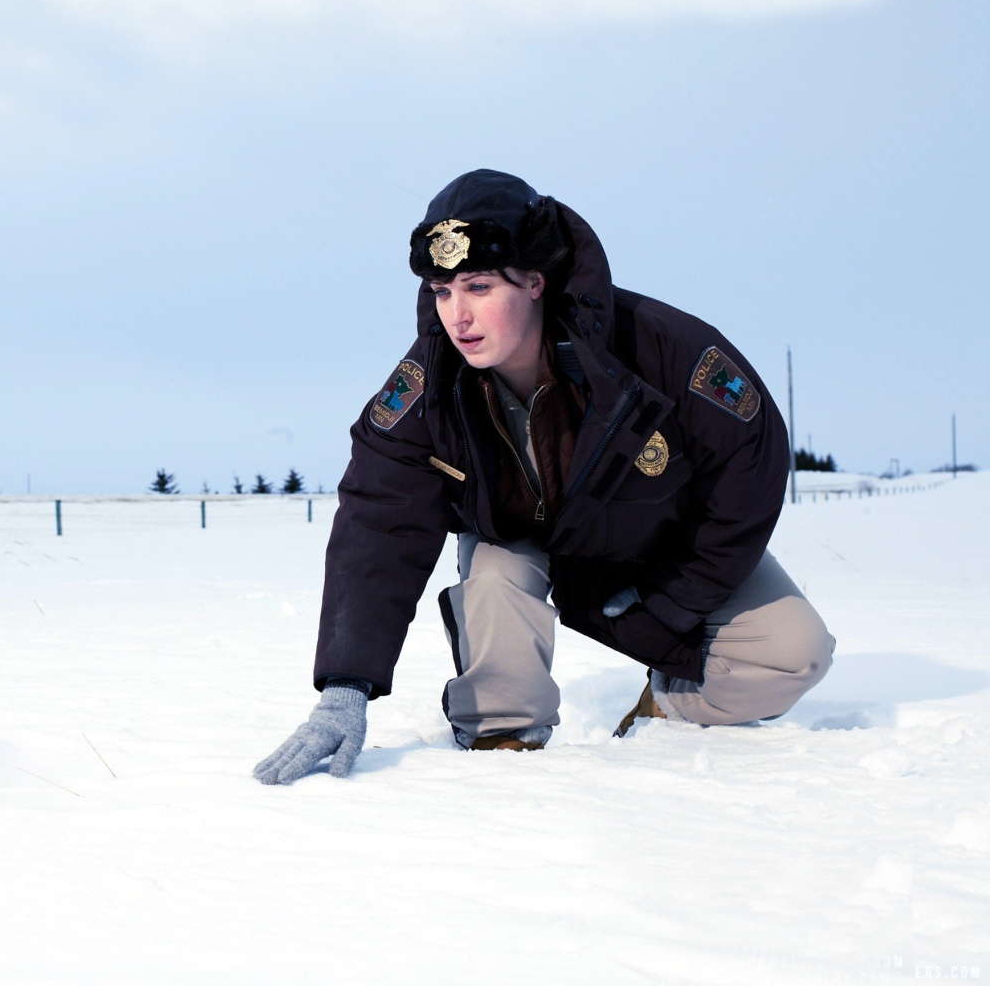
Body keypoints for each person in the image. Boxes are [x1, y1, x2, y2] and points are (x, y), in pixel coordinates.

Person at [254, 169, 834, 784]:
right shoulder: (428, 384)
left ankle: (665, 709)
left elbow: (747, 471)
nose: (458, 315)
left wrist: (669, 605)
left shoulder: (661, 348)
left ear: (535, 281)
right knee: (498, 585)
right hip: (517, 539)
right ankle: (504, 755)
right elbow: (378, 515)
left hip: (657, 544)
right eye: (442, 291)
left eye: (478, 286)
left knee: (794, 654)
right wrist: (346, 687)